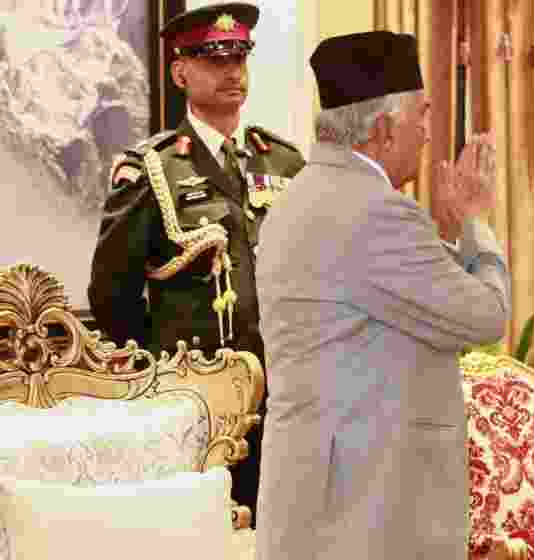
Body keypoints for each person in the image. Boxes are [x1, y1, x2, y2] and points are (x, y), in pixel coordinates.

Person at [254, 31, 510, 560]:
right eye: (423, 114)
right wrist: (477, 223)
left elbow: (419, 302)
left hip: (315, 505)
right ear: (383, 128)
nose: (426, 130)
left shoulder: (297, 197)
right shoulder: (376, 212)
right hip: (366, 514)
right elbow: (484, 316)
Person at [86, 1, 305, 522]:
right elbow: (110, 296)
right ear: (181, 72)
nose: (233, 72)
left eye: (240, 58)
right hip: (197, 406)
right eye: (214, 60)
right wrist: (164, 375)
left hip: (287, 396)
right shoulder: (151, 169)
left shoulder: (283, 162)